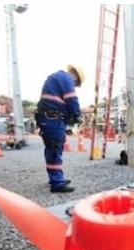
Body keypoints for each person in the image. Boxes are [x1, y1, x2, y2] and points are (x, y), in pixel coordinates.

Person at [35, 65, 84, 193]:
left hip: (48, 118)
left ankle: (56, 177)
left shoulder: (56, 78)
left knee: (52, 148)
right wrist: (76, 115)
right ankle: (57, 182)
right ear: (75, 76)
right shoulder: (66, 78)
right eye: (76, 83)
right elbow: (72, 100)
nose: (74, 86)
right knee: (55, 148)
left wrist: (69, 117)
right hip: (52, 118)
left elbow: (60, 102)